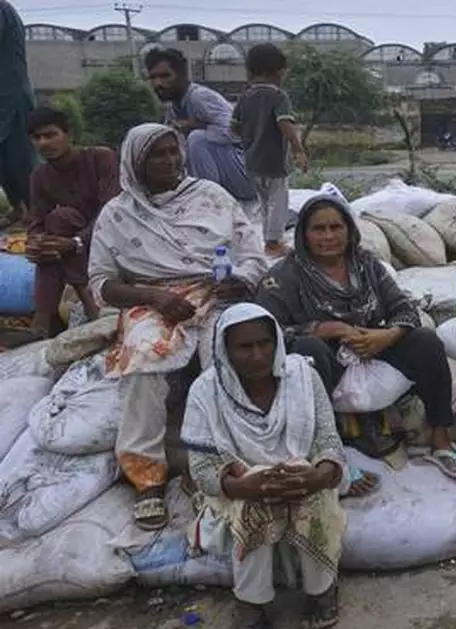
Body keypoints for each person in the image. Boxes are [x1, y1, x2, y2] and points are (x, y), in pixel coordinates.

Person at [89, 123, 267, 531]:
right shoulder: (118, 214)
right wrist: (154, 299)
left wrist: (241, 279)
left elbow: (250, 248)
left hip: (217, 291)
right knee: (145, 355)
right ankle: (146, 475)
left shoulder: (211, 196)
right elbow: (102, 283)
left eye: (175, 151)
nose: (171, 160)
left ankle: (226, 461)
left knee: (231, 353)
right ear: (135, 163)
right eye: (158, 155)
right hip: (151, 299)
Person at [255, 193, 456, 480]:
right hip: (327, 365)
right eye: (319, 229)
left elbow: (404, 308)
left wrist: (386, 336)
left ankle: (441, 440)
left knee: (426, 341)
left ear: (349, 230)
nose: (328, 236)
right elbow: (263, 330)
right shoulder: (283, 277)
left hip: (372, 352)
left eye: (336, 227)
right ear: (303, 235)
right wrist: (322, 329)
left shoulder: (366, 265)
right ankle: (330, 456)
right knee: (309, 349)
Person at [182, 304, 345, 629]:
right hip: (241, 484)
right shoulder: (205, 390)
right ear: (225, 349)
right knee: (252, 503)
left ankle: (322, 591)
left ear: (277, 343)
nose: (257, 355)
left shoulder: (303, 376)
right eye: (244, 347)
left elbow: (328, 440)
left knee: (311, 500)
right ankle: (251, 601)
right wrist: (241, 486)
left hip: (303, 476)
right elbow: (201, 468)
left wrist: (319, 475)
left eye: (264, 343)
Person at [25, 106, 117, 337]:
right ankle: (85, 306)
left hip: (113, 236)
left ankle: (43, 318)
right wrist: (35, 243)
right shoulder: (40, 175)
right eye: (37, 138)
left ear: (69, 135)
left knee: (60, 219)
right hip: (70, 242)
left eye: (50, 134)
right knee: (57, 223)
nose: (44, 142)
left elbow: (111, 212)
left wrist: (76, 242)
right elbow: (36, 220)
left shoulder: (100, 158)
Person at [145, 47, 256, 203]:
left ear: (182, 75)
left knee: (197, 139)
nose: (158, 83)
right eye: (153, 78)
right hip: (228, 179)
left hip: (246, 175)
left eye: (165, 76)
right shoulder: (172, 106)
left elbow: (236, 132)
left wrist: (194, 126)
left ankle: (208, 201)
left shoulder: (199, 97)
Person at [232, 43, 308, 258]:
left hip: (252, 161)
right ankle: (274, 243)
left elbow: (233, 127)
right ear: (276, 71)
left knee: (264, 202)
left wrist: (251, 133)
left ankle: (268, 238)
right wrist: (298, 149)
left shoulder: (245, 96)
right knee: (278, 202)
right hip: (274, 160)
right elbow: (285, 124)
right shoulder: (278, 96)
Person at [0, 0, 34, 220]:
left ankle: (32, 210)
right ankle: (18, 208)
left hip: (10, 98)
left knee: (18, 158)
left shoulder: (1, 9)